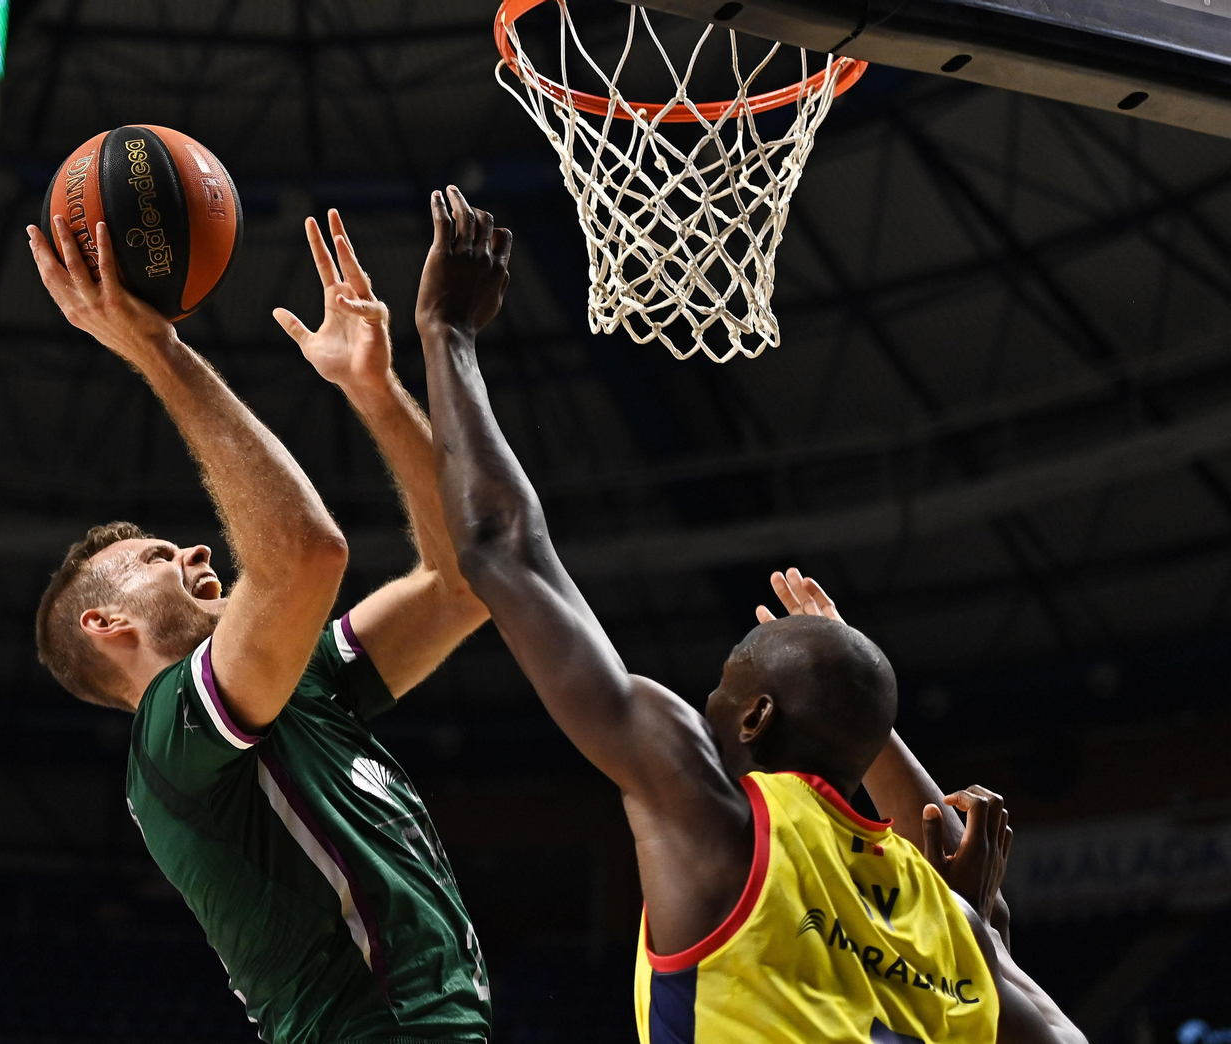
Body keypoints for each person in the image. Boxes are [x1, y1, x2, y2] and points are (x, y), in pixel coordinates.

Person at [413, 184, 1086, 1044]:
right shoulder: (942, 916)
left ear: (757, 716)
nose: (707, 704)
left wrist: (447, 332)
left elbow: (501, 548)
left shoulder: (715, 819)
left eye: (723, 685)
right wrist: (980, 938)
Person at [26, 208, 493, 1044]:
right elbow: (305, 555)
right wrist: (157, 349)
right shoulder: (169, 737)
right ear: (105, 621)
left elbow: (462, 582)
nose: (194, 548)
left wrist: (374, 391)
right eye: (156, 556)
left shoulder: (301, 679)